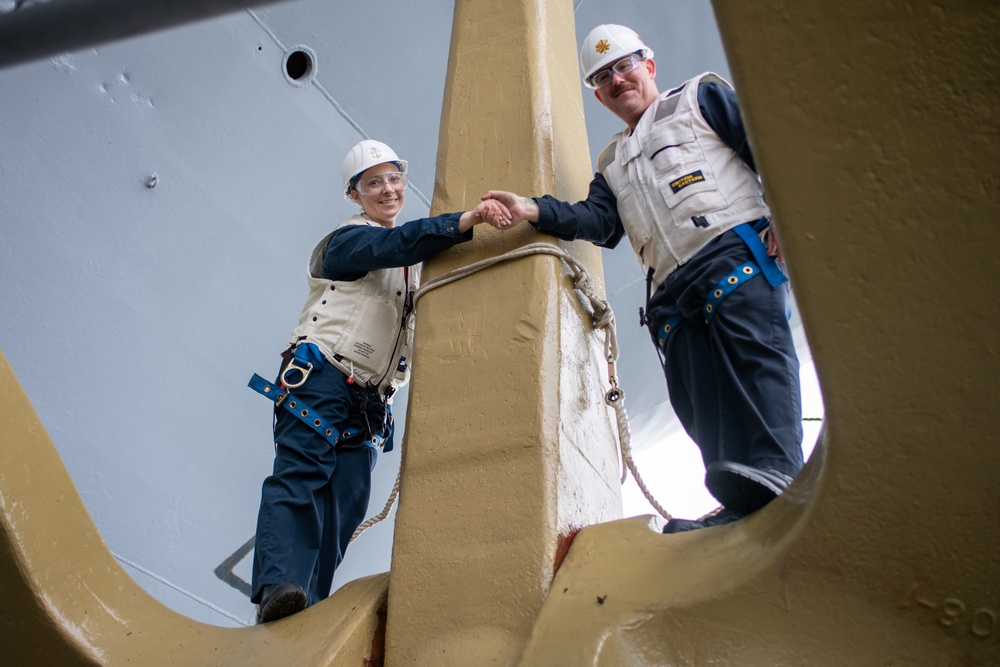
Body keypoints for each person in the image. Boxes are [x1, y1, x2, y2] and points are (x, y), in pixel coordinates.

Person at [482, 24, 803, 533]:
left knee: (757, 366)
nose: (617, 81)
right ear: (598, 94)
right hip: (671, 293)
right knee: (700, 403)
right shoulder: (611, 162)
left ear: (648, 65)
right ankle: (738, 499)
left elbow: (762, 145)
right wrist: (532, 209)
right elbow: (598, 222)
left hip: (731, 257)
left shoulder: (700, 98)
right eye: (603, 78)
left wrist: (789, 213)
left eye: (625, 66)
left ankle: (782, 475)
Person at [248, 139, 507, 623]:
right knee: (299, 480)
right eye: (373, 183)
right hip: (321, 378)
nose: (387, 190)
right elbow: (393, 243)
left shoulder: (410, 273)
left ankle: (307, 610)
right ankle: (275, 589)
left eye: (393, 179)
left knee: (344, 509)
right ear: (354, 195)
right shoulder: (346, 243)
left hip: (368, 407)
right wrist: (465, 222)